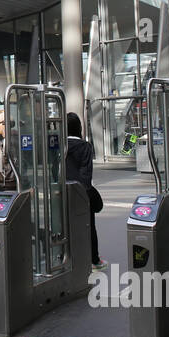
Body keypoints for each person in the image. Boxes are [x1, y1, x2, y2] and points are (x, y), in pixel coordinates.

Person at [65, 113, 105, 271]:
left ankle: (66, 258)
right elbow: (86, 174)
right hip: (81, 193)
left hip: (62, 192)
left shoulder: (60, 145)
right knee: (89, 226)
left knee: (66, 225)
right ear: (79, 128)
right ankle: (94, 260)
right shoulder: (85, 146)